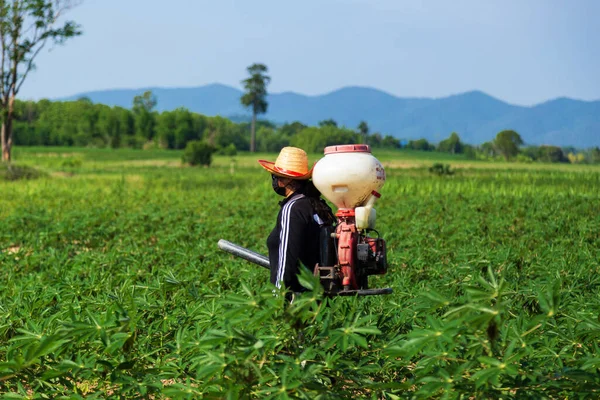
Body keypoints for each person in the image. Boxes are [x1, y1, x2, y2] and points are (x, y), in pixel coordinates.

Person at [258, 147, 334, 294]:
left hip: (297, 299)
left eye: (277, 176)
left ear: (287, 180)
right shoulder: (317, 204)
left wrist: (278, 298)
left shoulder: (292, 208)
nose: (275, 180)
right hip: (318, 296)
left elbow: (288, 260)